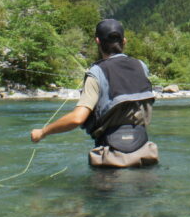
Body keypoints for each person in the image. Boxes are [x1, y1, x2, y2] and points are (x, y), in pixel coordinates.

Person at [30, 19, 159, 167]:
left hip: (111, 160)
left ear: (97, 41)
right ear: (124, 41)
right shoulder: (141, 67)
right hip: (145, 155)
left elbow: (77, 119)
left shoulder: (96, 73)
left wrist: (43, 132)